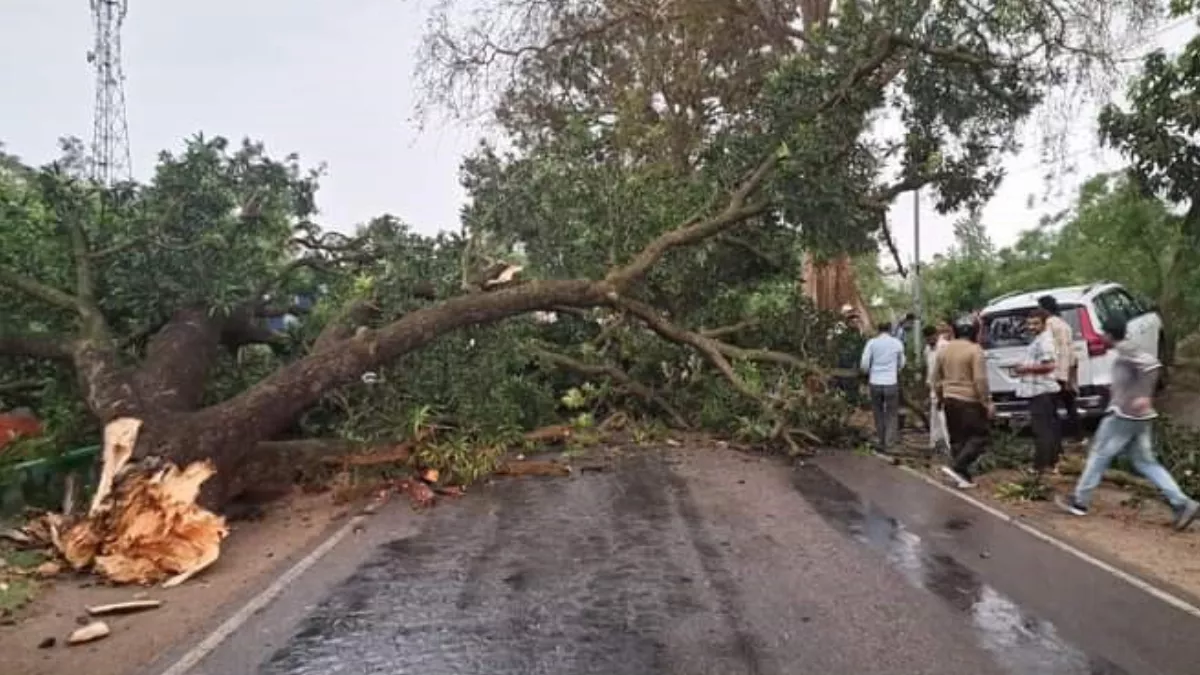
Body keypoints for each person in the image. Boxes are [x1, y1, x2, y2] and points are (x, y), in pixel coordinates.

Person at [1057, 317, 1200, 530]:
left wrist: (1142, 394)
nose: (1102, 337)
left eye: (1104, 333)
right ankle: (1183, 503)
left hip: (1123, 415)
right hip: (1139, 418)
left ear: (1110, 334)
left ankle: (1080, 501)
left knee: (1098, 456)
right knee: (1145, 462)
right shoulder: (1126, 350)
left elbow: (1151, 365)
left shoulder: (1125, 351)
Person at [933, 319, 993, 489]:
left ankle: (962, 477)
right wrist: (986, 401)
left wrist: (940, 398)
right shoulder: (975, 350)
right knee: (980, 436)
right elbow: (980, 379)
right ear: (974, 332)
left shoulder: (944, 351)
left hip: (949, 399)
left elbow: (935, 378)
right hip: (969, 400)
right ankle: (957, 467)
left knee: (958, 438)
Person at [1014, 309, 1061, 476]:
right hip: (1038, 390)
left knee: (1041, 430)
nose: (1032, 327)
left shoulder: (1045, 341)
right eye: (1029, 323)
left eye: (1036, 323)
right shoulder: (1038, 339)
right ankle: (1052, 462)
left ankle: (1039, 466)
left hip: (1042, 390)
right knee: (1048, 428)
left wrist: (1025, 368)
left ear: (1044, 323)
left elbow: (1049, 365)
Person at [1038, 295, 1082, 443]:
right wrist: (1070, 375)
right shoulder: (1063, 324)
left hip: (1055, 372)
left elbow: (1056, 350)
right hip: (1065, 370)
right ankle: (1077, 436)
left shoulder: (1049, 324)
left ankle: (1055, 439)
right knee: (1069, 405)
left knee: (1051, 408)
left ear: (1044, 309)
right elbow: (1070, 352)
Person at [860, 322, 906, 453]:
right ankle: (889, 442)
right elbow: (902, 362)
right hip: (891, 382)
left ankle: (881, 440)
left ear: (878, 329)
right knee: (891, 413)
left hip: (875, 382)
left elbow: (864, 363)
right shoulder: (897, 343)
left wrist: (867, 372)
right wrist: (895, 370)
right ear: (890, 329)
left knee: (878, 411)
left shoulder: (872, 343)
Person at [924, 322, 953, 455]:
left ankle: (949, 446)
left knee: (944, 418)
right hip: (933, 387)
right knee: (935, 418)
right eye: (927, 339)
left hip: (944, 387)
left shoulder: (945, 347)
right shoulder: (928, 349)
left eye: (931, 338)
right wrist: (928, 381)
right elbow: (929, 367)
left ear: (936, 335)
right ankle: (934, 443)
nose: (929, 341)